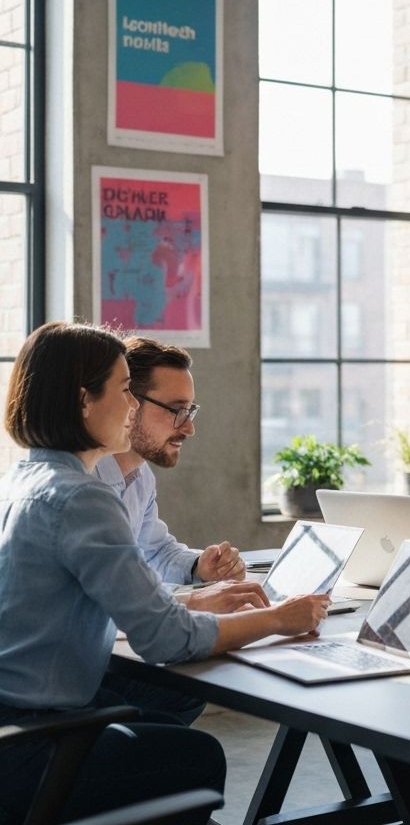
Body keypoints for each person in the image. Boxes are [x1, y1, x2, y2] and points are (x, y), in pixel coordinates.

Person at [0, 321, 330, 824]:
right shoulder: (82, 496)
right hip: (32, 743)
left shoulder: (23, 479)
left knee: (161, 724)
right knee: (195, 756)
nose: (131, 407)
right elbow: (167, 640)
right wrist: (280, 618)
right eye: (122, 390)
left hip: (17, 726)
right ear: (84, 399)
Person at [94, 337, 251, 614]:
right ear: (129, 402)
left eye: (190, 411)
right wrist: (198, 601)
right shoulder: (85, 486)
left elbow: (154, 551)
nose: (189, 428)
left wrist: (199, 565)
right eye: (177, 410)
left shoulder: (139, 477)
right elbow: (115, 592)